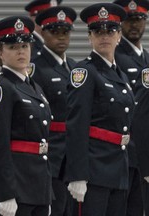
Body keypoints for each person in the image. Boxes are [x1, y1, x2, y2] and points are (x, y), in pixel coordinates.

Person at [65, 3, 135, 216]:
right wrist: (77, 175)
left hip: (118, 168)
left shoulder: (121, 76)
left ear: (119, 36)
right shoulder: (84, 72)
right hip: (93, 170)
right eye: (98, 32)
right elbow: (77, 125)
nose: (104, 36)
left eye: (110, 31)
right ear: (90, 38)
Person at [0, 16, 53, 216]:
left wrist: (46, 194)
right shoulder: (0, 87)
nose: (21, 51)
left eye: (24, 45)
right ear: (0, 52)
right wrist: (6, 193)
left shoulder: (35, 87)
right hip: (16, 186)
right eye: (13, 47)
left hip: (38, 186)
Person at [32, 6, 77, 216]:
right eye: (54, 32)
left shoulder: (76, 68)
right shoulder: (35, 68)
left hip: (74, 157)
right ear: (43, 32)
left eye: (65, 32)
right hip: (51, 156)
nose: (61, 38)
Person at [114, 1, 149, 215]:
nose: (134, 25)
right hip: (124, 153)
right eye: (128, 20)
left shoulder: (147, 59)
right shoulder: (114, 57)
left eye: (139, 19)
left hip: (144, 151)